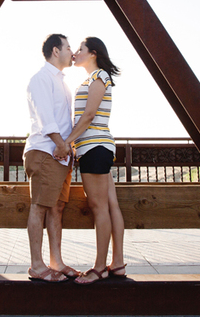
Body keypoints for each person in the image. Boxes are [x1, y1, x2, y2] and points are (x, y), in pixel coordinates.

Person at [62, 37, 126, 285]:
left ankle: (99, 268)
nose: (76, 53)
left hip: (94, 147)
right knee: (111, 205)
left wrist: (67, 142)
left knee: (99, 208)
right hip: (97, 147)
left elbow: (89, 115)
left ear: (93, 53)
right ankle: (117, 263)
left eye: (81, 49)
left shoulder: (99, 76)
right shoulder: (94, 78)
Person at [23, 33, 80, 282]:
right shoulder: (41, 78)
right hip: (46, 151)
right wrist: (60, 144)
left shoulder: (61, 82)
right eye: (68, 47)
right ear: (56, 51)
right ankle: (37, 266)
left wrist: (68, 149)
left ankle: (56, 262)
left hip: (61, 155)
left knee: (57, 207)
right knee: (40, 206)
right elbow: (46, 117)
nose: (72, 52)